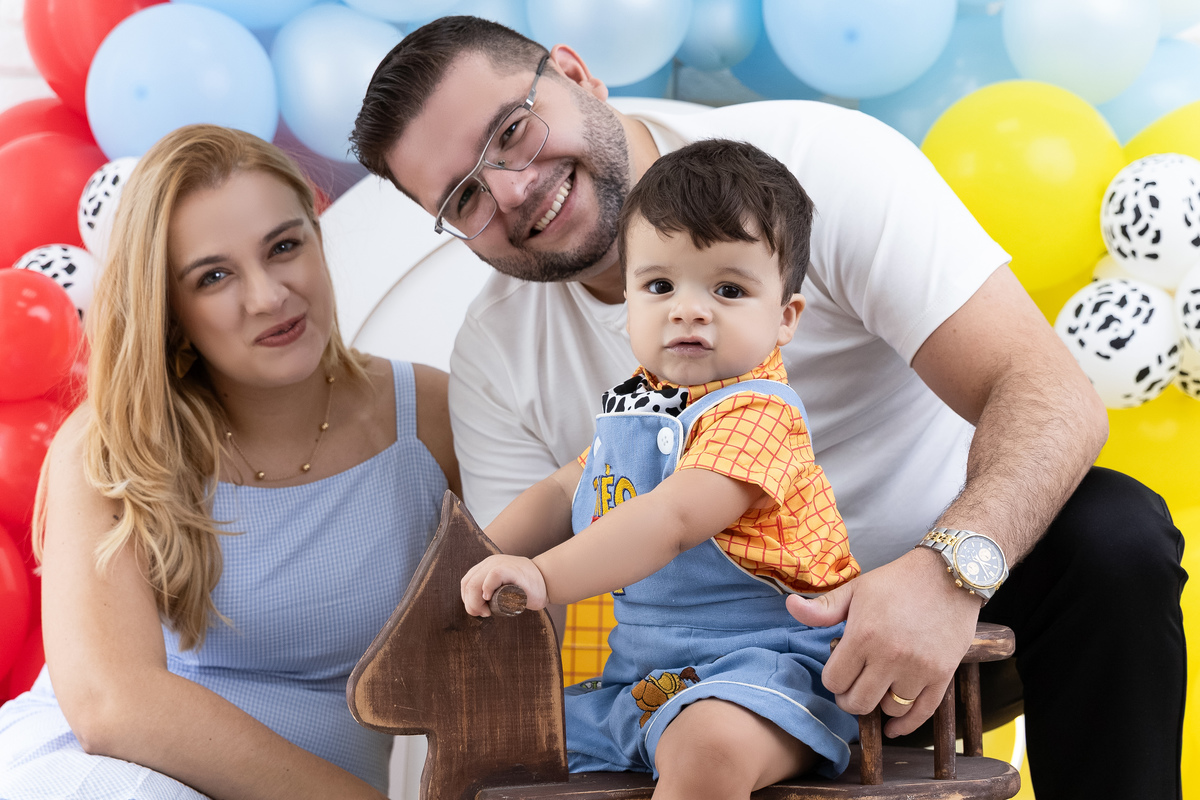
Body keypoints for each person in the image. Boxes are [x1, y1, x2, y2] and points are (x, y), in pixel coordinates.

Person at [350, 16, 1187, 800]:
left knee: (1113, 534)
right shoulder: (501, 350)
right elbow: (539, 543)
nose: (516, 188)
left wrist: (946, 573)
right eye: (464, 196)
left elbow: (1049, 393)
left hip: (954, 601)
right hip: (691, 659)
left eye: (513, 130)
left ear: (575, 74)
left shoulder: (820, 170)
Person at [0, 124, 460, 800]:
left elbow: (546, 599)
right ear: (172, 311)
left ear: (317, 237)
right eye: (213, 276)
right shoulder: (112, 438)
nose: (268, 296)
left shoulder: (428, 415)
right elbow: (110, 706)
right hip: (108, 774)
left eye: (283, 247)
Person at [461, 139, 861, 797]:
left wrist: (542, 573)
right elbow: (565, 488)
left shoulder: (759, 413)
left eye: (728, 289)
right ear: (628, 300)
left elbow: (672, 519)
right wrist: (475, 558)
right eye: (660, 285)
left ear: (785, 318)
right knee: (503, 740)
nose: (689, 308)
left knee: (710, 744)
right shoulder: (635, 407)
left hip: (769, 667)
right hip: (643, 678)